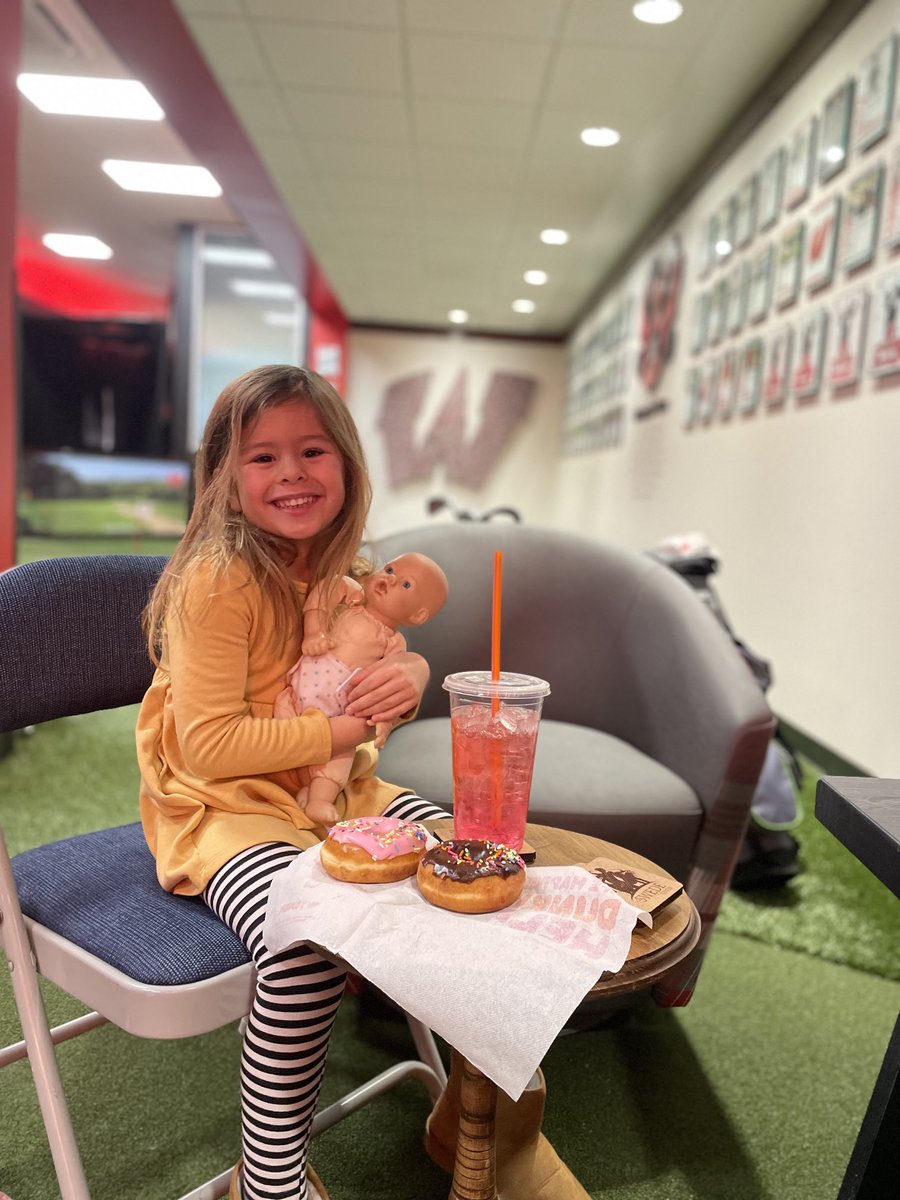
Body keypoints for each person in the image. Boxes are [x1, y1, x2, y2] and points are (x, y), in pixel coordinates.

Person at [136, 364, 588, 1200]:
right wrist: (350, 727)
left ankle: (482, 1117)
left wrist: (408, 674)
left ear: (347, 464)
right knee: (306, 943)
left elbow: (368, 658)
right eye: (262, 457)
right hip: (222, 811)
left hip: (336, 796)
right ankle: (267, 1180)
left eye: (311, 450)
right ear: (224, 480)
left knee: (482, 858)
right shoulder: (218, 580)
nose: (292, 474)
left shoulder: (339, 576)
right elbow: (204, 747)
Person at [274, 552, 449, 826]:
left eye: (405, 584)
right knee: (283, 730)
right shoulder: (351, 596)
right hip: (295, 696)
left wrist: (385, 721)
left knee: (340, 757)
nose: (389, 580)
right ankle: (300, 786)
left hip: (340, 713)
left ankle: (319, 798)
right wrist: (314, 632)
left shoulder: (394, 644)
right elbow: (322, 595)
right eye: (390, 570)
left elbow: (387, 689)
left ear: (417, 615)